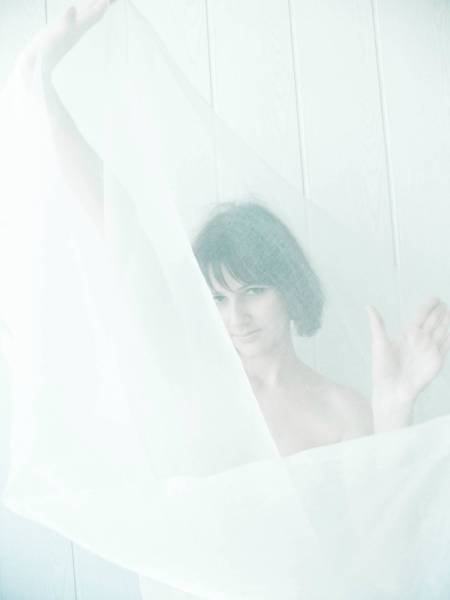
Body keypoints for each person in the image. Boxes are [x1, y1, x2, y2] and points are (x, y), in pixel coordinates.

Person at [13, 0, 450, 455]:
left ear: (291, 288)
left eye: (255, 290)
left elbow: (383, 500)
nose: (236, 315)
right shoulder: (191, 378)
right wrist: (43, 94)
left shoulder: (343, 411)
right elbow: (123, 231)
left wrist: (396, 406)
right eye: (218, 298)